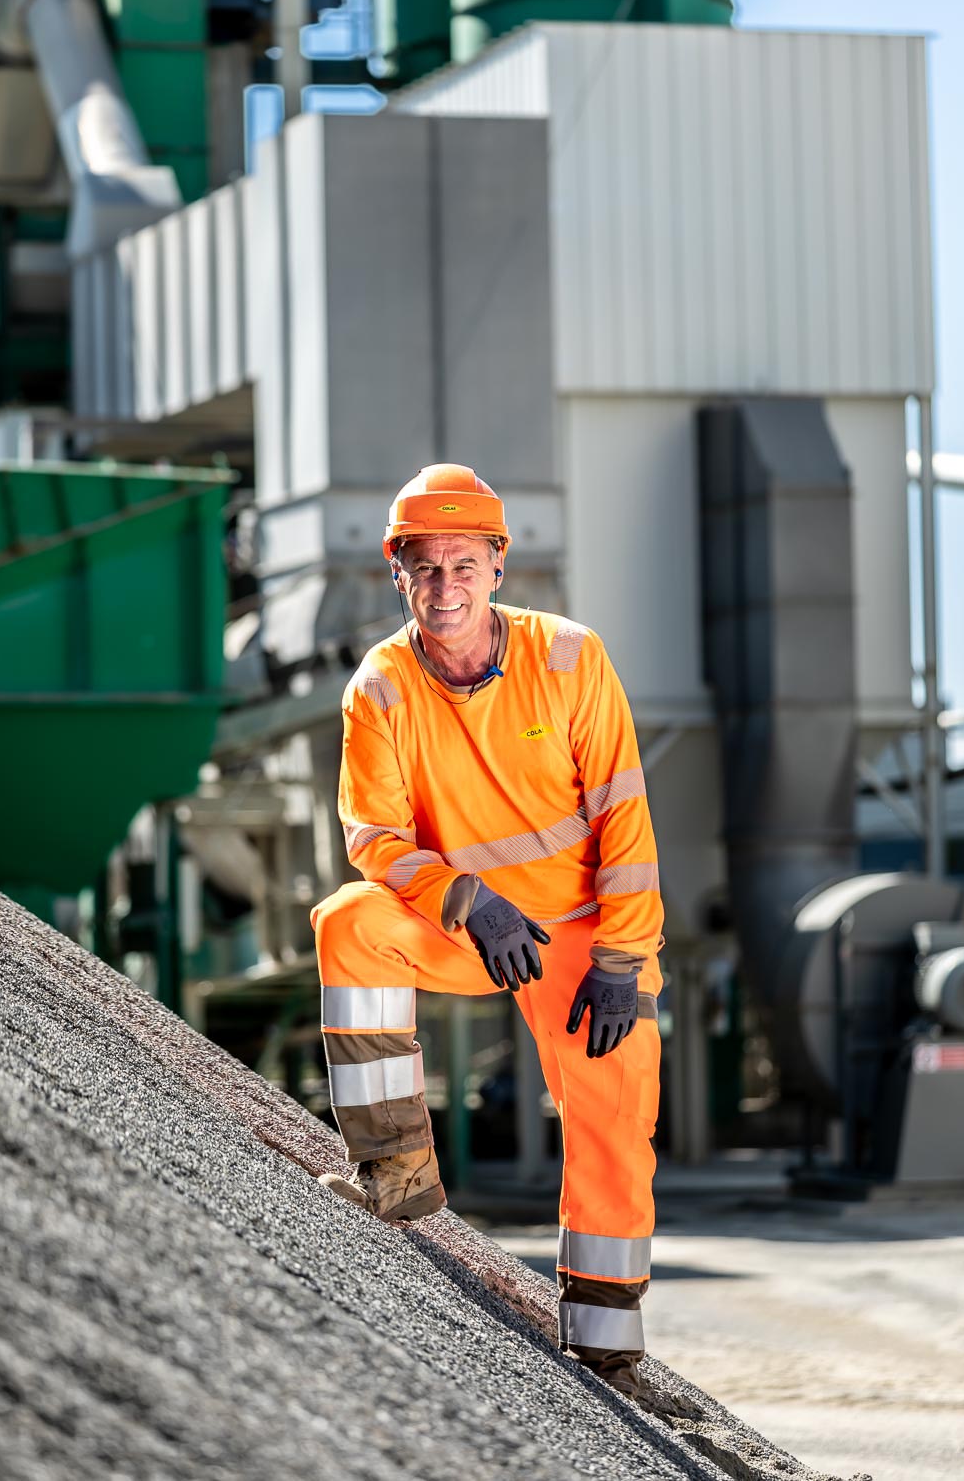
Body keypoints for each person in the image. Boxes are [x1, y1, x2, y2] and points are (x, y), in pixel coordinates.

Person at [312, 463, 664, 1397]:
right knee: (348, 923)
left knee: (615, 1115)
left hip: (582, 936)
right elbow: (374, 839)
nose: (445, 586)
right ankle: (394, 1172)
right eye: (425, 567)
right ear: (396, 571)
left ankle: (606, 1347)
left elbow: (625, 820)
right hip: (471, 927)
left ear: (498, 566)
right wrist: (468, 899)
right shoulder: (381, 688)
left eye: (463, 564)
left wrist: (623, 959)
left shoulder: (570, 659)